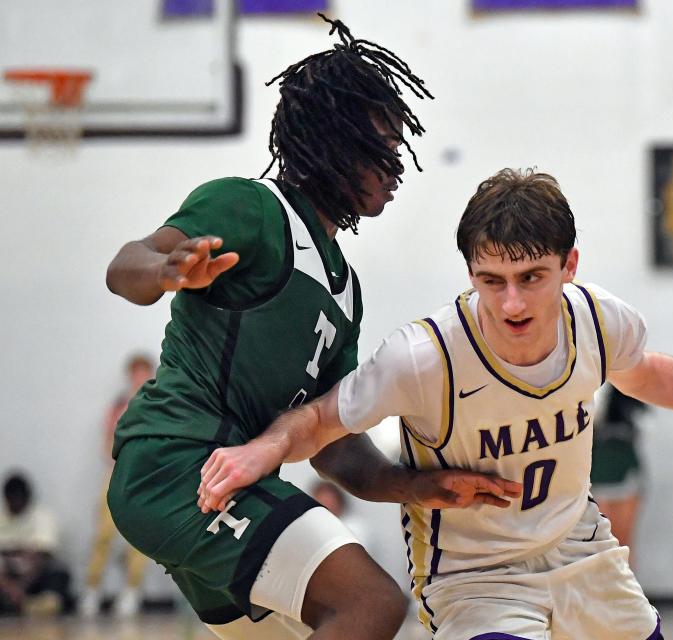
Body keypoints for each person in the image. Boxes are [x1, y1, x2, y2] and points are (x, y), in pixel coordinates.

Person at [198, 168, 673, 640]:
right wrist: (261, 452)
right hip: (474, 574)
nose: (512, 301)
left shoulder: (600, 320)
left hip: (580, 548)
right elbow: (322, 417)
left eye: (531, 277)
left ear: (569, 264)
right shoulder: (424, 356)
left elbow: (645, 373)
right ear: (470, 274)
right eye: (493, 280)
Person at [104, 15, 519, 640]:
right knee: (373, 605)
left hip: (230, 482)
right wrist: (167, 268)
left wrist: (418, 484)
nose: (395, 164)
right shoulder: (249, 208)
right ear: (329, 141)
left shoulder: (344, 290)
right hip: (173, 463)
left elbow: (332, 446)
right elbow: (123, 267)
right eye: (380, 145)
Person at [79, 353, 154, 619]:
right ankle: (92, 588)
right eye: (136, 372)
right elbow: (107, 442)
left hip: (144, 476)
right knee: (103, 533)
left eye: (144, 372)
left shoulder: (158, 403)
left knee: (139, 537)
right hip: (117, 472)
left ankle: (132, 590)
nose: (140, 377)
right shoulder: (119, 405)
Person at [590, 383, 651, 568]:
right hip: (598, 470)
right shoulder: (587, 382)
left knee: (624, 540)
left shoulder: (631, 385)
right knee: (600, 541)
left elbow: (647, 425)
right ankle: (600, 593)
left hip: (625, 468)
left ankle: (626, 592)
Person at [0, 473, 73, 616]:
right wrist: (10, 587)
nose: (15, 504)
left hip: (35, 578)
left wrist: (21, 587)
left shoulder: (43, 517)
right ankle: (25, 605)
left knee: (60, 575)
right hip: (7, 580)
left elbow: (42, 559)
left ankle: (33, 604)